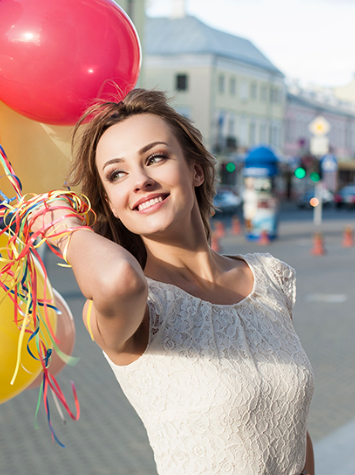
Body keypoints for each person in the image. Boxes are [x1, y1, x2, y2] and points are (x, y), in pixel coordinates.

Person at [33, 89, 314, 475]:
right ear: (111, 204)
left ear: (196, 169)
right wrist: (67, 233)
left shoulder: (271, 277)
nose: (141, 180)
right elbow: (119, 279)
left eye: (155, 158)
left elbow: (293, 431)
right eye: (117, 174)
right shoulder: (134, 310)